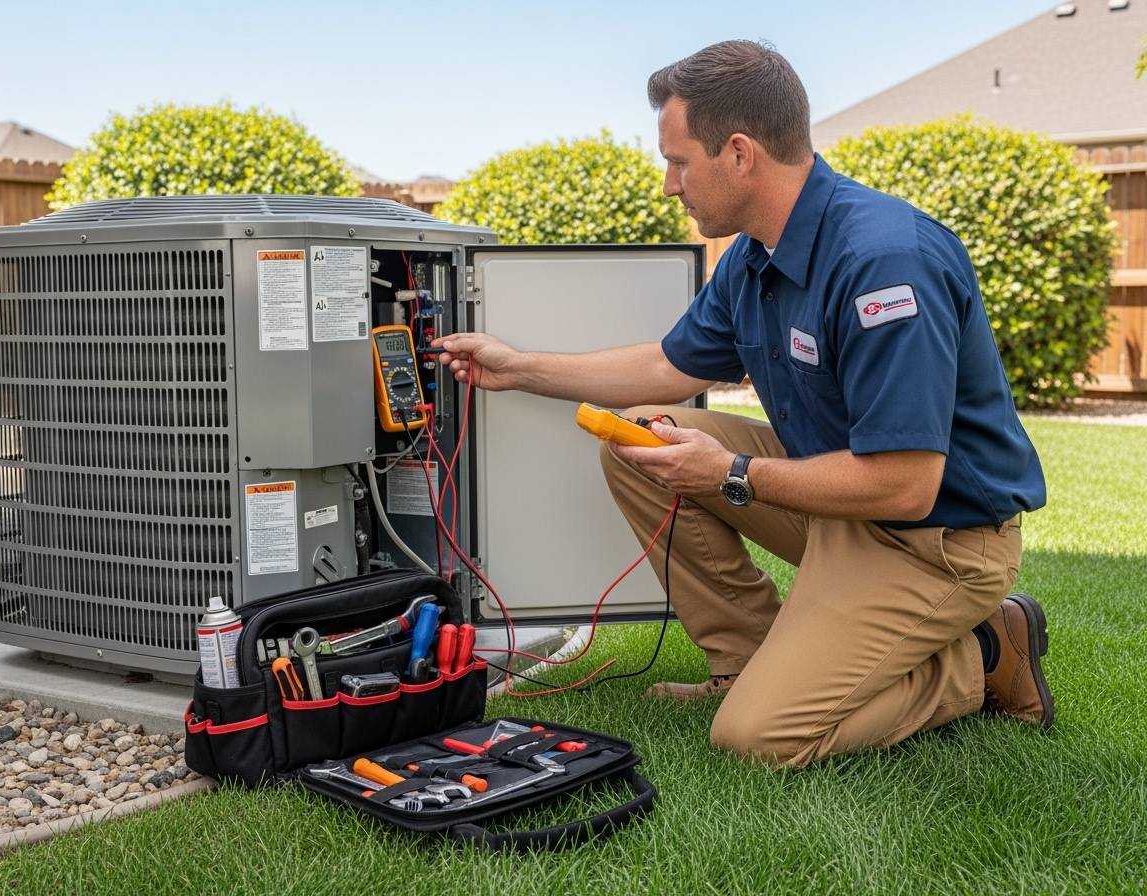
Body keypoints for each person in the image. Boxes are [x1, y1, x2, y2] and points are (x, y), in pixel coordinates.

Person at [433, 40, 1054, 767]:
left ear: (738, 153)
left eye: (678, 161)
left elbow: (906, 483)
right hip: (840, 500)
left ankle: (983, 654)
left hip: (936, 540)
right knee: (638, 441)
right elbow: (668, 363)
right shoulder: (752, 257)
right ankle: (748, 661)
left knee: (758, 738)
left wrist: (731, 473)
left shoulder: (884, 261)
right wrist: (519, 368)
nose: (670, 185)